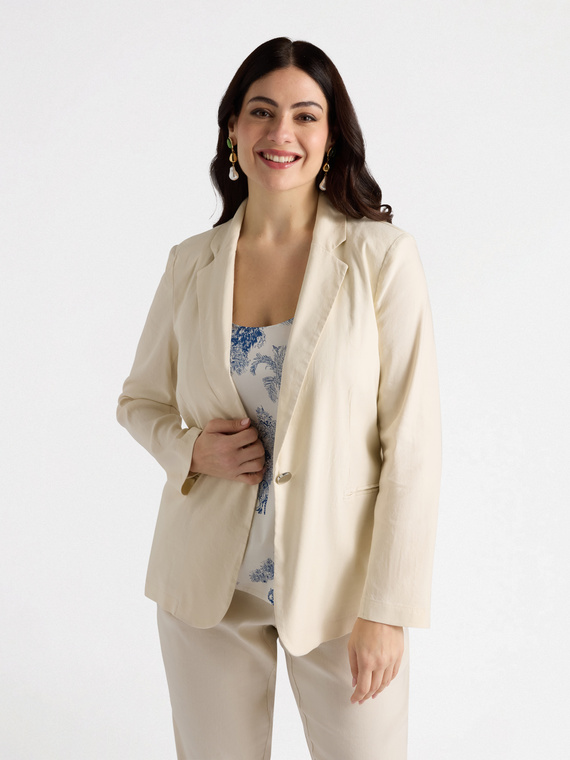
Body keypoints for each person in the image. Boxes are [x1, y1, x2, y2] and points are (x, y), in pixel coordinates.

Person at [117, 37, 441, 760]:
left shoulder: (382, 258)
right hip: (207, 586)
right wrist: (190, 449)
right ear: (233, 129)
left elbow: (413, 448)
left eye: (305, 115)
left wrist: (388, 609)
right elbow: (139, 400)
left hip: (341, 593)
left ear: (331, 138)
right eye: (261, 112)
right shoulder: (191, 263)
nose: (281, 132)